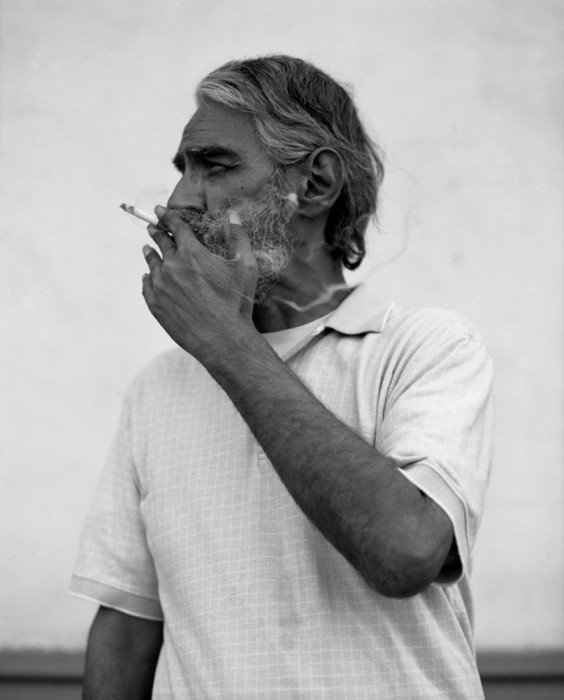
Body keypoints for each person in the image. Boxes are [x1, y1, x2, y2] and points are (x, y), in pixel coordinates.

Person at [70, 55, 493, 699]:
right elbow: (127, 627)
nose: (180, 200)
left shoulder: (426, 348)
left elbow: (407, 552)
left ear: (316, 184)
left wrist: (227, 341)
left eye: (214, 165)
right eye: (182, 169)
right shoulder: (157, 388)